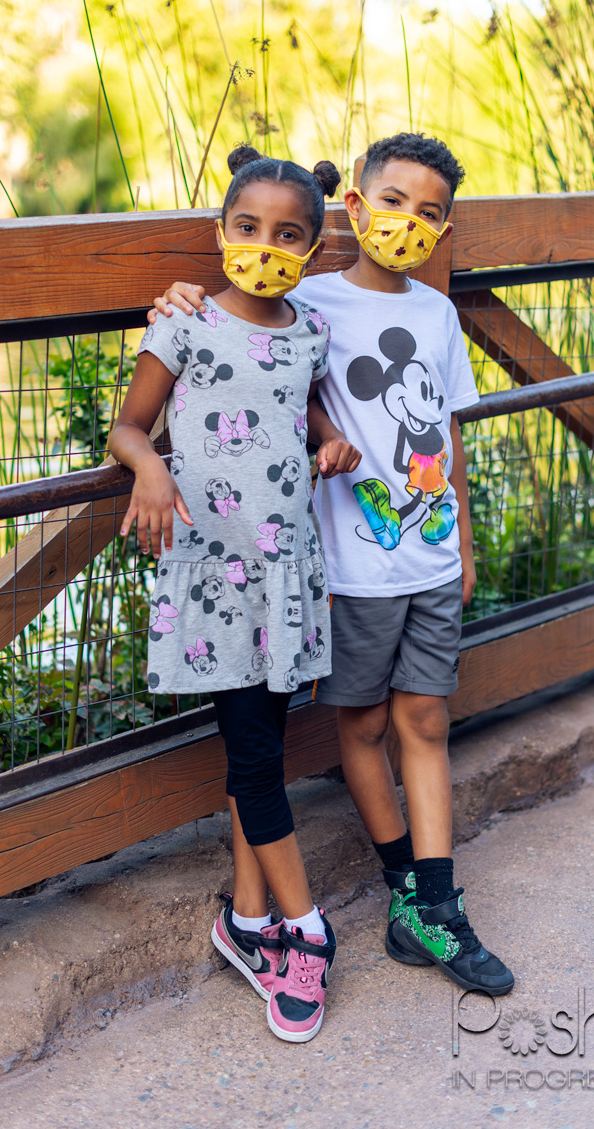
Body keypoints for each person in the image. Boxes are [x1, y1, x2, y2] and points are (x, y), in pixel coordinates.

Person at [149, 131, 514, 997]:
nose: (408, 222)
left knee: (427, 719)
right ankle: (403, 884)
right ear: (353, 206)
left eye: (429, 212)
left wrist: (464, 545)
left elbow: (448, 432)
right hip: (349, 567)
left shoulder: (437, 312)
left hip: (430, 557)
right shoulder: (307, 299)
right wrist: (176, 297)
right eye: (392, 202)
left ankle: (433, 901)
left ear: (445, 225)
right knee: (363, 723)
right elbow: (240, 309)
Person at [110, 144, 361, 1043]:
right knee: (254, 753)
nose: (265, 244)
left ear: (314, 246)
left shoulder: (310, 330)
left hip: (284, 570)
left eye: (289, 234)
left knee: (261, 746)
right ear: (221, 231)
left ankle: (246, 922)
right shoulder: (184, 324)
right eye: (248, 227)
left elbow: (305, 409)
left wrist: (330, 441)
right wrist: (149, 468)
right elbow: (128, 426)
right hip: (215, 574)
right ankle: (309, 929)